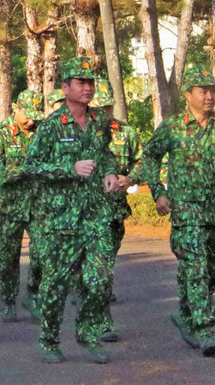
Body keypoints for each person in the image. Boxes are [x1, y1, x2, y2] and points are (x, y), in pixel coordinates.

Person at [132, 66, 215, 357]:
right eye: (203, 91)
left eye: (212, 90)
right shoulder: (173, 127)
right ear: (188, 95)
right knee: (195, 267)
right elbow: (149, 156)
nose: (209, 96)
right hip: (185, 211)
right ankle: (202, 327)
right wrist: (158, 192)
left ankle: (187, 307)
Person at [21, 57, 121, 364]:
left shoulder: (100, 122)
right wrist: (68, 168)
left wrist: (110, 173)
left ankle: (88, 333)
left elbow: (105, 155)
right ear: (65, 88)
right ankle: (49, 339)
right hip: (61, 219)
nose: (88, 88)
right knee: (56, 284)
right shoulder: (51, 126)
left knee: (100, 279)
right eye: (81, 82)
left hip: (96, 215)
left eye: (90, 82)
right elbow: (31, 166)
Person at [91, 78, 143, 342]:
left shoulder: (126, 133)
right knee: (97, 267)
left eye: (107, 107)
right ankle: (102, 321)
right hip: (82, 212)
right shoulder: (74, 131)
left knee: (105, 263)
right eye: (97, 107)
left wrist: (130, 178)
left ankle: (96, 298)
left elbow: (144, 162)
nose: (103, 113)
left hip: (113, 211)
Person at [0, 89, 45, 322]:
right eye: (27, 114)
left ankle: (32, 295)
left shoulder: (43, 131)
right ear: (16, 108)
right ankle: (9, 301)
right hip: (8, 207)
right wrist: (21, 171)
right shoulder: (1, 133)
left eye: (35, 114)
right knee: (7, 258)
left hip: (38, 205)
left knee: (43, 252)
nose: (31, 120)